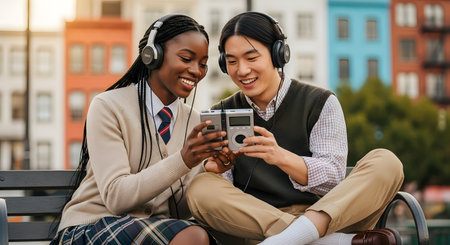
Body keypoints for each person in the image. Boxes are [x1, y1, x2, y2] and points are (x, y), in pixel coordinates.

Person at [186, 11, 404, 245]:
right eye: (231, 61)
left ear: (279, 55)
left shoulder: (320, 102)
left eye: (251, 58)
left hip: (326, 216)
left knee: (387, 162)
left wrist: (281, 157)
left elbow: (333, 179)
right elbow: (223, 200)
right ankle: (323, 241)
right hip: (256, 224)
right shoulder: (220, 111)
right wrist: (217, 169)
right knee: (200, 186)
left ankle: (296, 237)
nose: (241, 70)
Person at [51, 14, 228, 245]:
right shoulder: (108, 106)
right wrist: (184, 159)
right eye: (186, 58)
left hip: (150, 230)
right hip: (92, 226)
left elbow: (176, 210)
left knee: (204, 234)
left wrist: (206, 170)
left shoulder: (195, 121)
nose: (196, 71)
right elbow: (116, 197)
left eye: (203, 64)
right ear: (152, 55)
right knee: (194, 235)